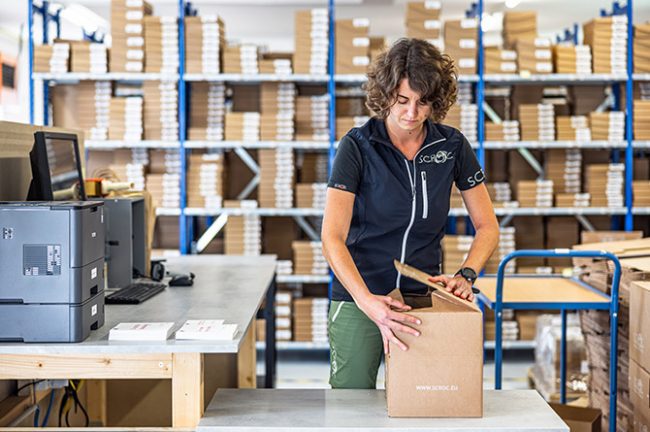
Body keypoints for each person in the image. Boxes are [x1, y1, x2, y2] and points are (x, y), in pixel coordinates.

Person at [321, 38, 500, 390]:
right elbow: (332, 237)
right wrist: (367, 302)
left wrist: (466, 275)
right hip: (361, 299)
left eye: (423, 102)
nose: (411, 113)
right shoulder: (358, 145)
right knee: (351, 407)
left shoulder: (451, 146)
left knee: (423, 402)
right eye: (402, 100)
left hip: (422, 301)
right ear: (385, 94)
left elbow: (487, 226)